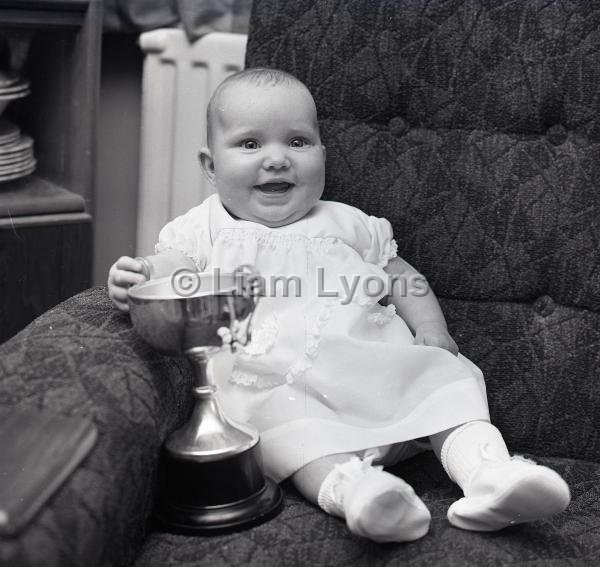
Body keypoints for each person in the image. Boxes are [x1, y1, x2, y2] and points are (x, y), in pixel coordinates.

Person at [108, 68, 570, 543]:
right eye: (250, 145)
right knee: (281, 436)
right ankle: (361, 495)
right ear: (210, 166)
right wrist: (141, 274)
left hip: (377, 370)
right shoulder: (204, 228)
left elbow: (402, 276)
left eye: (297, 142)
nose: (276, 159)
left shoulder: (347, 223)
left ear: (322, 155)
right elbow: (172, 268)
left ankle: (490, 474)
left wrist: (432, 329)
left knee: (447, 381)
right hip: (282, 386)